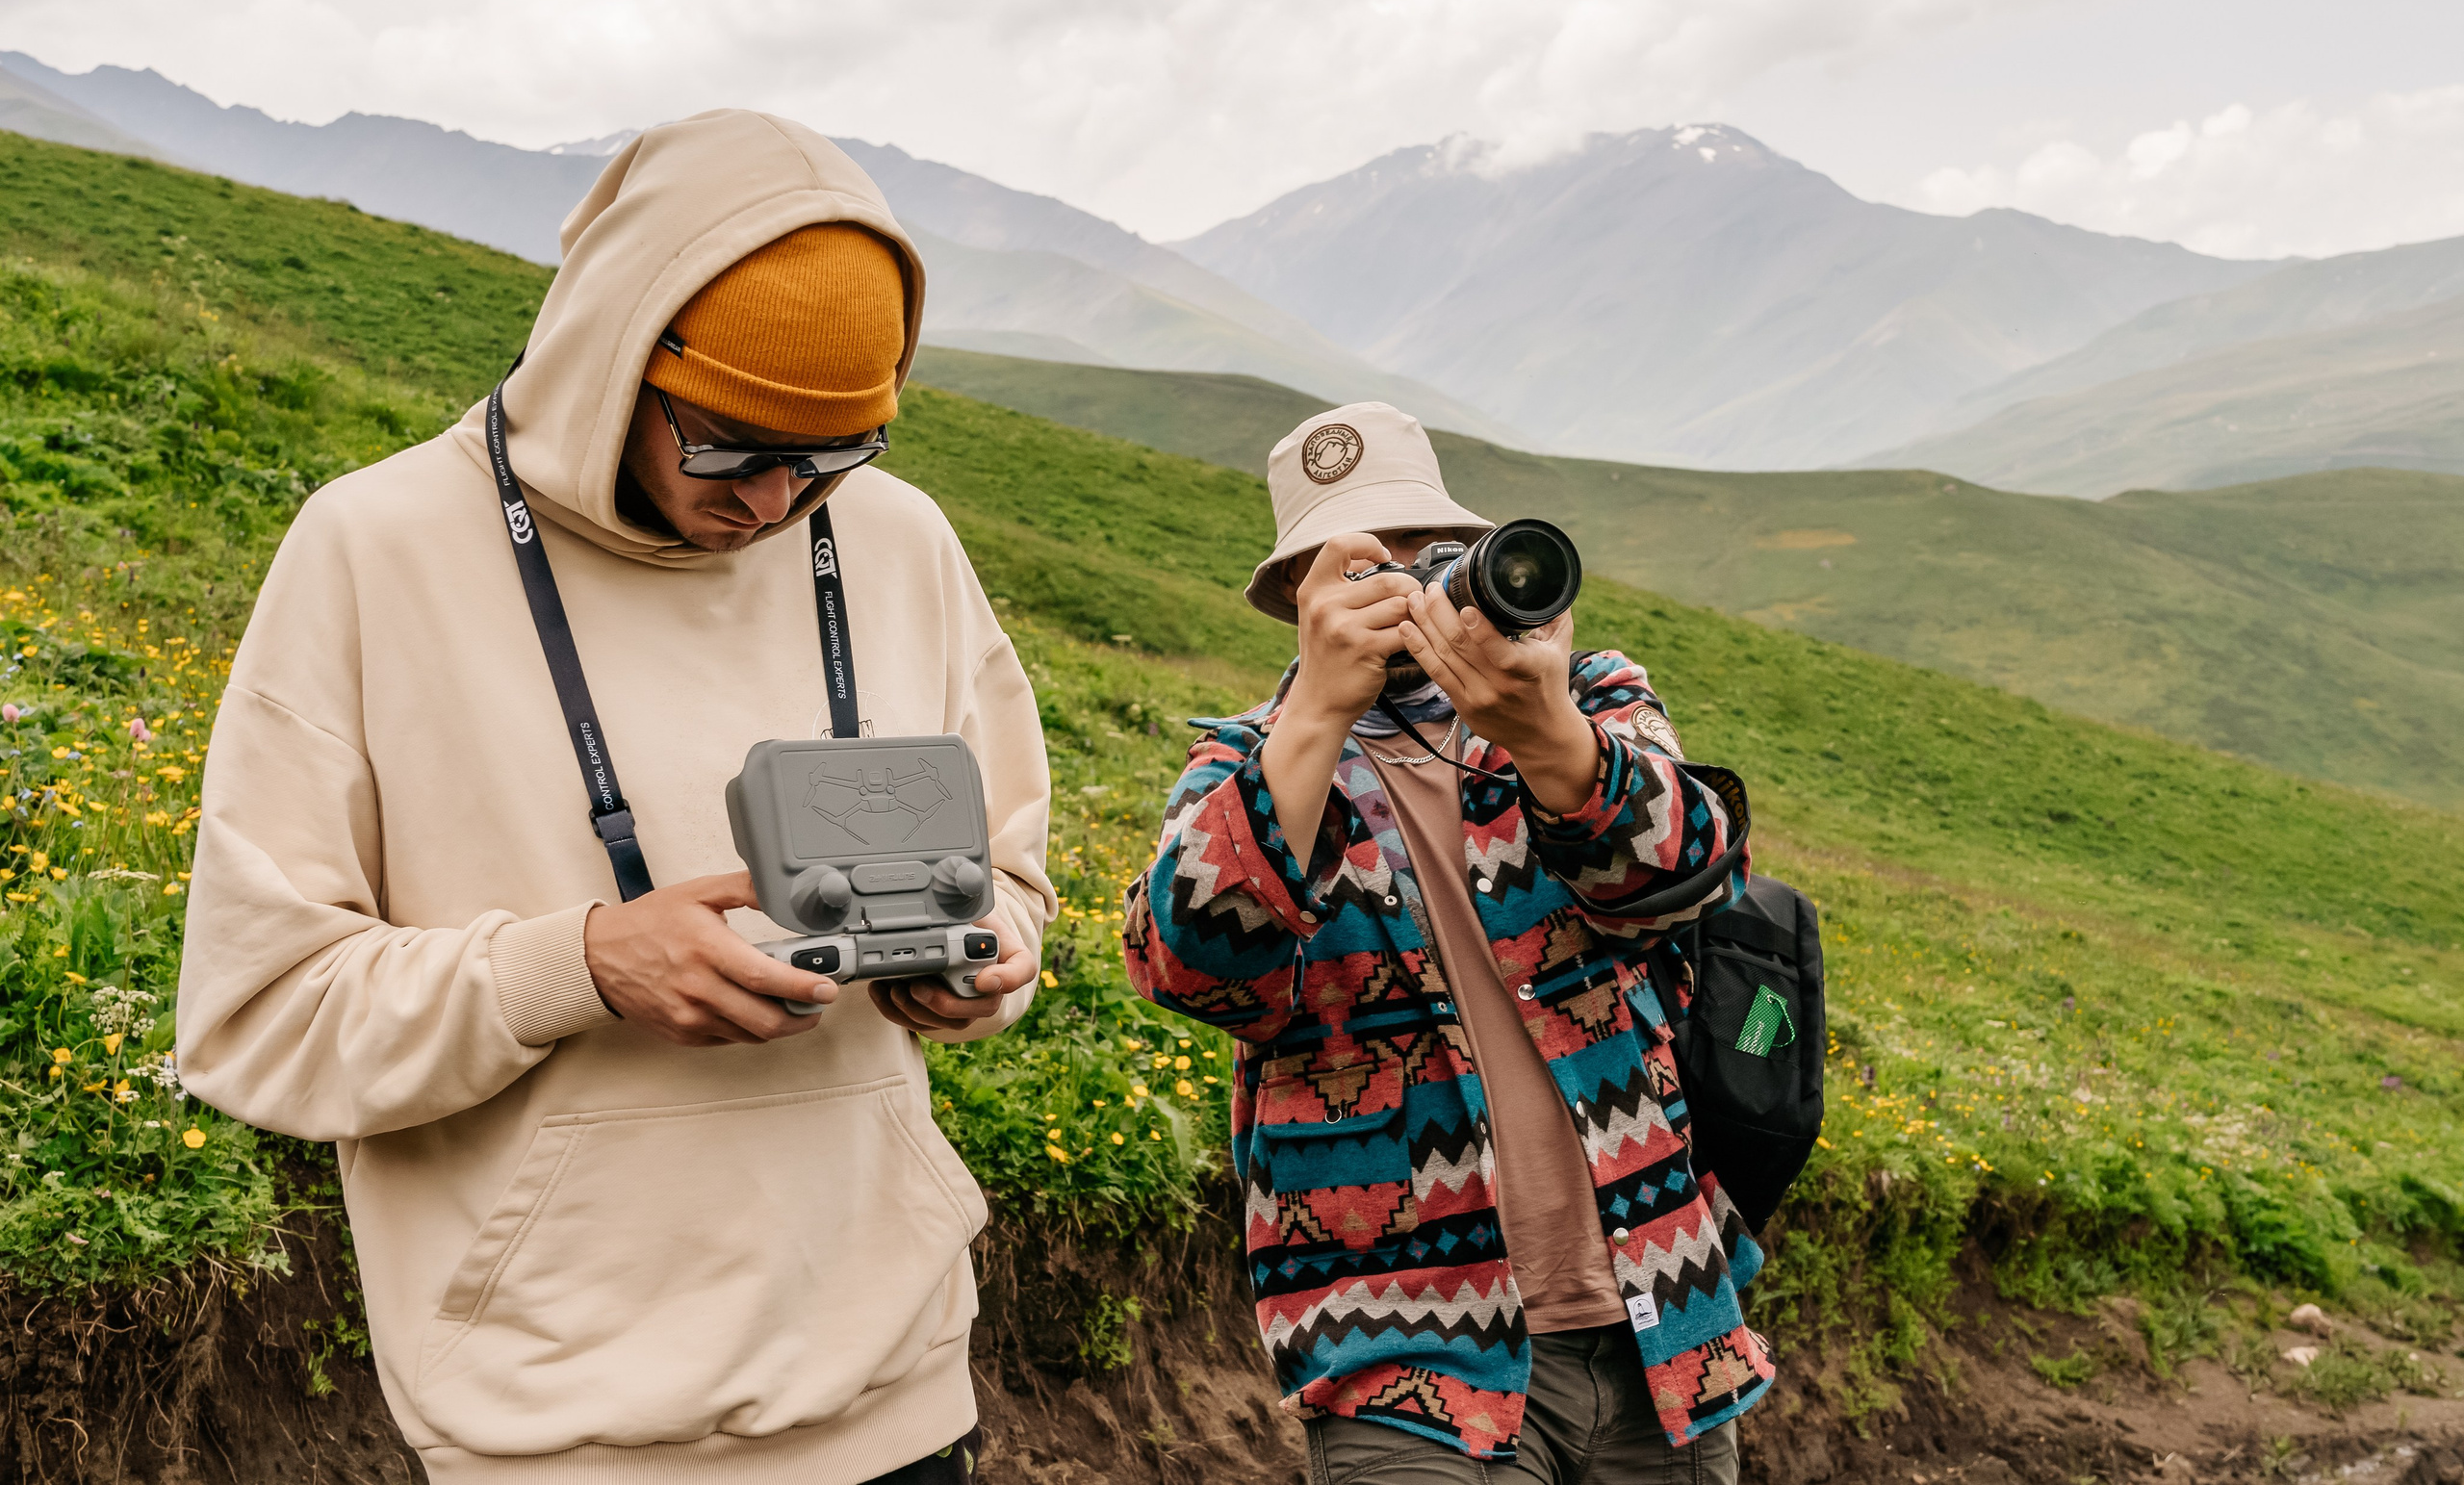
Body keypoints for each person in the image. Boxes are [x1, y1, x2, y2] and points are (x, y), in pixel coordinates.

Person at [176, 111, 1054, 1483]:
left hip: (899, 1392)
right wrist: (575, 963)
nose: (772, 503)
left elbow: (1011, 876)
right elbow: (258, 1016)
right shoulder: (373, 551)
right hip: (559, 1433)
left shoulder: (901, 543)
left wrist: (988, 958)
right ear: (615, 357)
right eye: (730, 447)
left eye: (831, 458)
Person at [1124, 402, 1770, 1483]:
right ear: (1299, 594)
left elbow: (1687, 878)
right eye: (1373, 564)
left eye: (1440, 557)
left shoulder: (1589, 698)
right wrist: (1316, 720)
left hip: (1661, 1310)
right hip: (1404, 1349)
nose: (1417, 590)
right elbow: (1193, 967)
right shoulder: (1246, 768)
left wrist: (1545, 733)